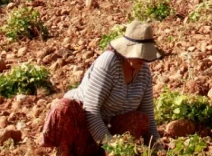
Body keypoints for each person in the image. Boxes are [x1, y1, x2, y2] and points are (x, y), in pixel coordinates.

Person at [39, 21, 162, 155]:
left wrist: (158, 148)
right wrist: (112, 147)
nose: (143, 58)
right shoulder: (109, 64)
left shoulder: (144, 73)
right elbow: (90, 110)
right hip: (83, 121)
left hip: (109, 125)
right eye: (139, 53)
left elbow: (148, 115)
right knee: (65, 107)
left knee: (141, 119)